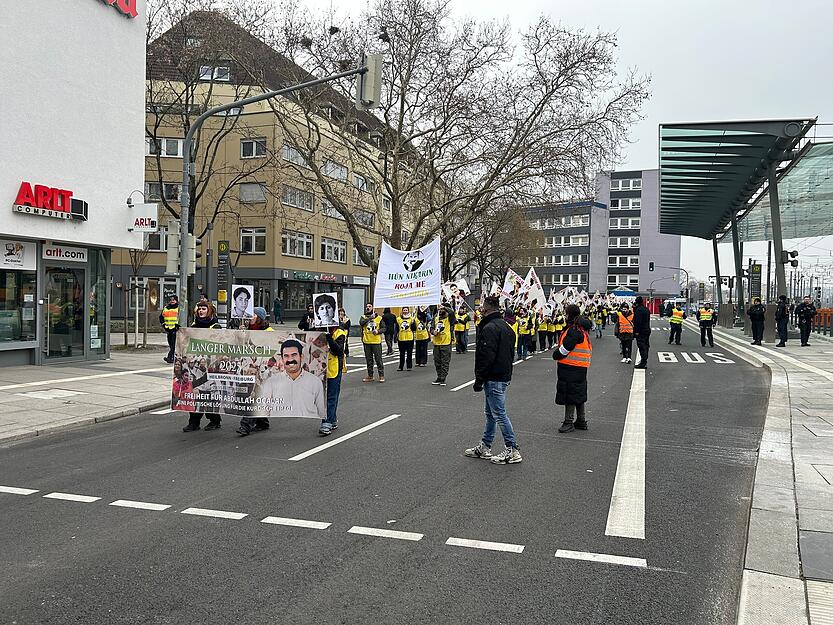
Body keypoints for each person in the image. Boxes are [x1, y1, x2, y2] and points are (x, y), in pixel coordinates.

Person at [464, 295, 522, 464]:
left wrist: (479, 379)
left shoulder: (489, 328)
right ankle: (485, 445)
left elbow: (486, 356)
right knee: (491, 413)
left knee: (499, 414)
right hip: (502, 375)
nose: (480, 309)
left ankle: (512, 449)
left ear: (487, 308)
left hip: (494, 377)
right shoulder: (506, 327)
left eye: (482, 307)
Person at [182, 301, 222, 432]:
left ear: (209, 310)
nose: (200, 311)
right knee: (195, 397)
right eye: (199, 308)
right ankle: (194, 422)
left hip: (210, 366)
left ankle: (215, 421)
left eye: (203, 308)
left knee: (209, 397)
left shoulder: (215, 326)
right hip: (196, 364)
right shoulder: (194, 325)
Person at [552, 304, 593, 433]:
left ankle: (568, 422)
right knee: (578, 394)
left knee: (569, 394)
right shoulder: (581, 329)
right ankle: (581, 420)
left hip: (570, 366)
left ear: (569, 314)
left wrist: (556, 354)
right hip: (580, 366)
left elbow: (567, 346)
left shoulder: (573, 330)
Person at [236, 307, 275, 436]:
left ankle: (245, 425)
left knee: (254, 398)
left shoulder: (269, 331)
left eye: (252, 315)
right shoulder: (247, 330)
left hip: (262, 372)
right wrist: (240, 334)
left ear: (259, 317)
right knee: (256, 398)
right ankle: (262, 422)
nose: (248, 317)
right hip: (249, 371)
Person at [319, 324, 347, 435]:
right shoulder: (319, 329)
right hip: (320, 367)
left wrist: (328, 337)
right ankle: (332, 419)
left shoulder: (340, 332)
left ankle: (327, 422)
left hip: (334, 367)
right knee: (322, 396)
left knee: (332, 395)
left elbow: (339, 351)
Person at [360, 304, 386, 382]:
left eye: (370, 306)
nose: (368, 308)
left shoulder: (379, 318)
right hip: (366, 341)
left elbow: (384, 328)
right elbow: (361, 323)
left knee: (378, 359)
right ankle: (370, 375)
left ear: (373, 308)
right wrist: (370, 318)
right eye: (367, 307)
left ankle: (381, 375)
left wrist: (378, 331)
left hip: (376, 342)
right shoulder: (363, 317)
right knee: (369, 360)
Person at [430, 302, 455, 386]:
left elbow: (451, 312)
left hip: (446, 342)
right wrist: (434, 332)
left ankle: (443, 378)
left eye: (442, 309)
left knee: (445, 361)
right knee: (437, 361)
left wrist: (444, 307)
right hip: (436, 342)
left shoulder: (450, 318)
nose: (440, 311)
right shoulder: (436, 318)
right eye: (439, 309)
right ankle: (439, 376)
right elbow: (431, 328)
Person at [632, 296, 651, 369]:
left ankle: (643, 362)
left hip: (641, 331)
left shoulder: (638, 310)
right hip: (647, 330)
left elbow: (638, 322)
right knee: (646, 346)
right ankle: (644, 361)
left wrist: (636, 331)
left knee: (642, 346)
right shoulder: (646, 309)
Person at [159, 294, 179, 363]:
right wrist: (163, 324)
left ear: (176, 300)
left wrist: (178, 326)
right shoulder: (166, 308)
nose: (172, 301)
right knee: (170, 344)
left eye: (173, 300)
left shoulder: (179, 308)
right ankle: (173, 357)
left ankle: (170, 357)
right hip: (168, 329)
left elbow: (181, 318)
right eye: (171, 300)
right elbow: (161, 317)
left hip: (175, 329)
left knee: (173, 344)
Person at [396, 306, 416, 371]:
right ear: (402, 311)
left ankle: (409, 366)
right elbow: (396, 328)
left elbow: (414, 329)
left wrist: (413, 323)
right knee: (401, 354)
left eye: (406, 310)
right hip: (401, 338)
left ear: (408, 311)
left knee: (409, 353)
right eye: (404, 310)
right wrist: (395, 337)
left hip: (409, 338)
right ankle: (400, 366)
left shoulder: (411, 319)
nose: (405, 311)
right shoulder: (398, 319)